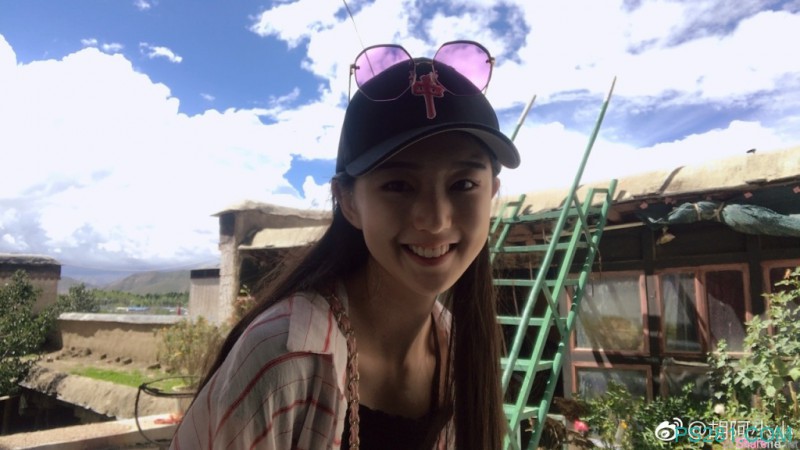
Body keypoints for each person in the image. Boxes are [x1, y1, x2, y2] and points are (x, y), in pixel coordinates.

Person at [170, 40, 520, 450]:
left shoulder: (458, 346)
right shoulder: (283, 356)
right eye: (398, 185)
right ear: (349, 202)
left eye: (463, 184)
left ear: (491, 192)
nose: (436, 219)